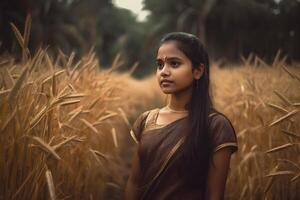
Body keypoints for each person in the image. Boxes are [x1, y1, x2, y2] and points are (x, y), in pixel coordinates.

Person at [124, 32, 238, 200]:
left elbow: (214, 195)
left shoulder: (215, 125)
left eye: (174, 64)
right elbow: (134, 183)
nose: (164, 72)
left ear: (198, 71)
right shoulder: (146, 120)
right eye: (159, 65)